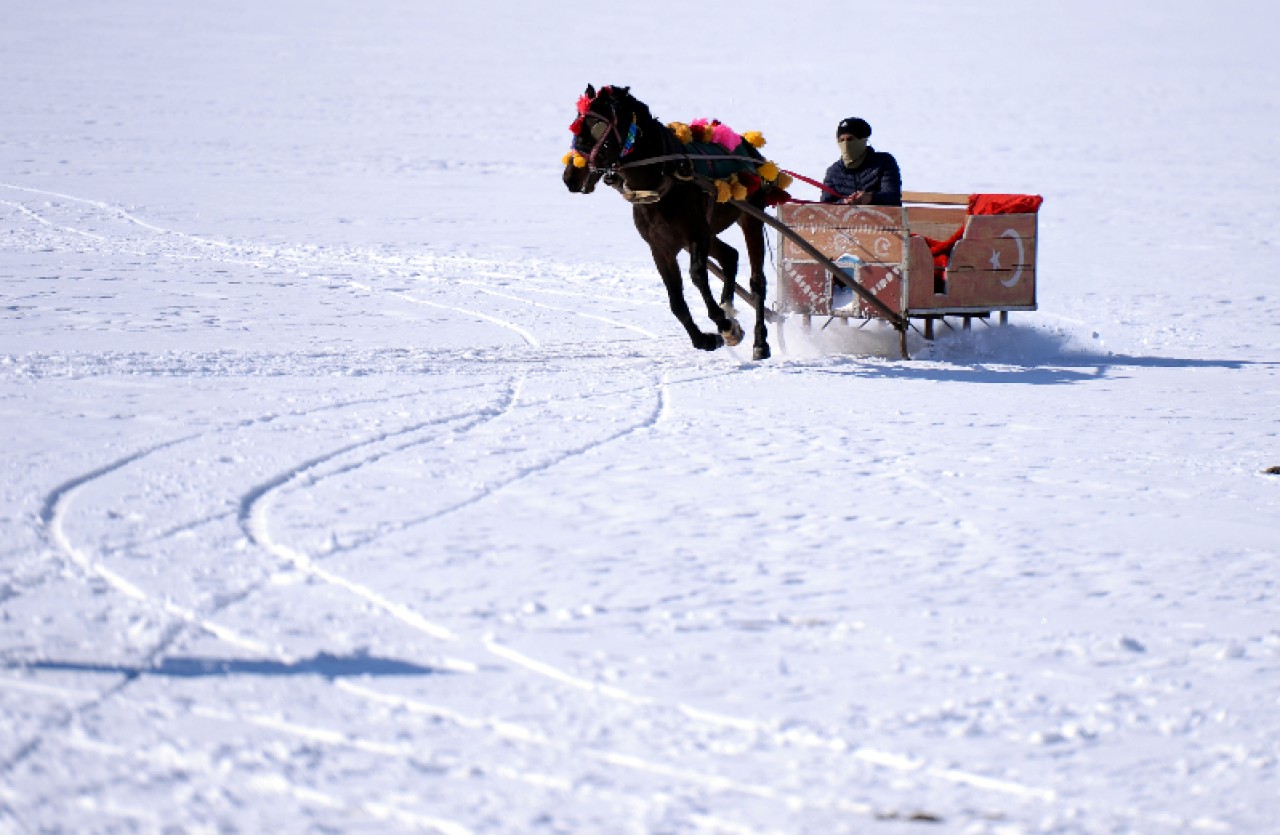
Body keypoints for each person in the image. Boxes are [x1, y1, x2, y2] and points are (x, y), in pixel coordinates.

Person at [820, 117, 901, 206]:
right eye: (842, 140)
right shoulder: (833, 172)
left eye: (850, 139)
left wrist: (870, 198)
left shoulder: (884, 162)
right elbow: (825, 206)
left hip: (880, 218)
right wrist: (844, 203)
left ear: (863, 139)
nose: (846, 144)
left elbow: (893, 197)